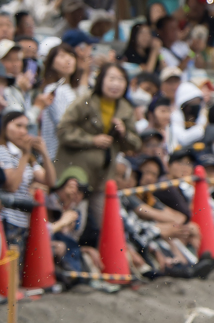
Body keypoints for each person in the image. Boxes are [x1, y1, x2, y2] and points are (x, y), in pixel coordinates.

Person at [56, 62, 142, 244]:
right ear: (101, 80)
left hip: (104, 178)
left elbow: (135, 144)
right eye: (111, 78)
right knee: (74, 222)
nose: (115, 84)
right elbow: (63, 130)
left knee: (107, 224)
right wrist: (91, 140)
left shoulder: (126, 108)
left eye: (120, 79)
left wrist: (124, 132)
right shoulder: (85, 100)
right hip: (76, 174)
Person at [0, 110, 54, 250]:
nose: (23, 132)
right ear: (5, 127)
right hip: (7, 218)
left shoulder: (27, 157)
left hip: (23, 222)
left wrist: (44, 153)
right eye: (18, 126)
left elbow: (50, 181)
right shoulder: (2, 151)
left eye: (26, 127)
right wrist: (25, 155)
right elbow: (11, 186)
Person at [39, 42, 78, 159]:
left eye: (71, 55)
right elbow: (62, 122)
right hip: (56, 154)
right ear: (51, 63)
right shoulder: (53, 89)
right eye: (61, 56)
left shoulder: (70, 89)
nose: (68, 60)